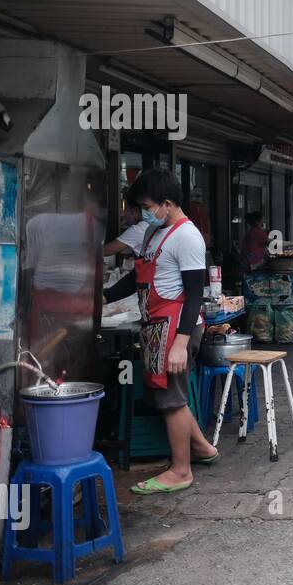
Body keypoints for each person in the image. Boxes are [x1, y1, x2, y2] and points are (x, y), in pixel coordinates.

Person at [103, 168, 218, 494]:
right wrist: (105, 297)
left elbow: (196, 294)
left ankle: (181, 470)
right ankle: (203, 449)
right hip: (157, 325)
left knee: (172, 400)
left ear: (167, 204)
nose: (143, 212)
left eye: (147, 206)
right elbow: (139, 276)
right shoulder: (156, 233)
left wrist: (181, 344)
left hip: (177, 327)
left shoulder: (187, 236)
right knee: (166, 395)